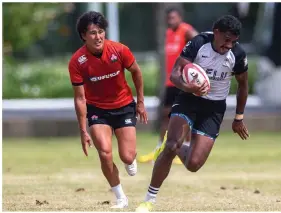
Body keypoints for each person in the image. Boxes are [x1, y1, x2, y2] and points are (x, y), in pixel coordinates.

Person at [136, 15, 249, 212]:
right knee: (171, 146)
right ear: (216, 33)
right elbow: (175, 74)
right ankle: (149, 200)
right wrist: (189, 88)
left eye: (234, 41)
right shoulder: (199, 43)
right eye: (226, 40)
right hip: (189, 99)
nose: (229, 45)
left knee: (194, 164)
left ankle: (173, 143)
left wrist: (238, 117)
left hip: (214, 108)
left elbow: (243, 85)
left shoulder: (238, 54)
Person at [68, 11, 148, 209]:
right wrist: (83, 130)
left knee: (127, 156)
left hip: (123, 106)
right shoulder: (77, 62)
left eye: (101, 32)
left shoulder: (119, 50)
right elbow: (80, 98)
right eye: (93, 33)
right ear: (83, 36)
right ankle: (120, 197)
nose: (98, 37)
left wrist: (140, 102)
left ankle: (130, 159)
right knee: (104, 153)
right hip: (98, 110)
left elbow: (137, 72)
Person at [137, 7, 198, 164]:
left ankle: (186, 148)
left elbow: (201, 47)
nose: (170, 21)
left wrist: (194, 74)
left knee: (185, 115)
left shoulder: (187, 31)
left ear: (180, 17)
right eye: (168, 18)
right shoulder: (168, 33)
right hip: (171, 82)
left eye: (173, 18)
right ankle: (159, 148)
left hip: (184, 82)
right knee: (166, 115)